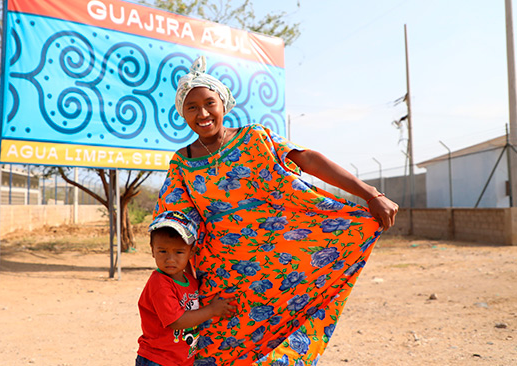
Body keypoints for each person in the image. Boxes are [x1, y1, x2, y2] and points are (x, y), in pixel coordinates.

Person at [154, 56, 399, 365]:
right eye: (192, 107)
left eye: (209, 103)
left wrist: (371, 194)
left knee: (282, 339)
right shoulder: (182, 163)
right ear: (183, 114)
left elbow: (307, 160)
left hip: (277, 264)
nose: (202, 113)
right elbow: (173, 218)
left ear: (223, 104)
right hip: (221, 278)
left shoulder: (255, 139)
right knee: (218, 349)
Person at [136, 210, 237, 366]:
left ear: (191, 253)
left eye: (179, 252)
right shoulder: (159, 283)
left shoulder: (189, 280)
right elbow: (176, 321)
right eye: (162, 251)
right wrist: (212, 310)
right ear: (152, 250)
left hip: (181, 360)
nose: (170, 259)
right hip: (158, 359)